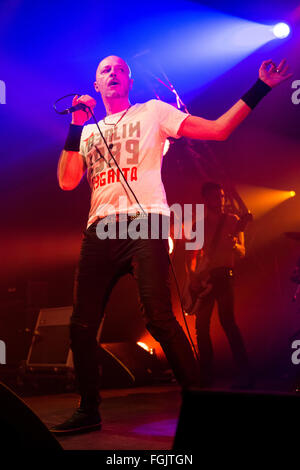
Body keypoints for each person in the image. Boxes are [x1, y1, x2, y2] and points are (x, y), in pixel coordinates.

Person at [51, 55, 291, 434]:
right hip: (100, 228)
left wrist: (261, 87)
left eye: (120, 69)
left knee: (158, 317)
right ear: (95, 85)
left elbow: (218, 130)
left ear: (129, 82)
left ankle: (201, 403)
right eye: (104, 70)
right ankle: (88, 409)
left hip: (145, 221)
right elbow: (67, 181)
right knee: (81, 325)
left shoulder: (152, 112)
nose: (113, 74)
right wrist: (76, 124)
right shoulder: (87, 130)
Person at [184, 182, 252, 388]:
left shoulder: (234, 221)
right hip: (206, 279)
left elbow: (243, 252)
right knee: (201, 326)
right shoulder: (198, 226)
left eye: (222, 197)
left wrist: (235, 246)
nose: (221, 201)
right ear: (206, 199)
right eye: (216, 197)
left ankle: (245, 372)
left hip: (225, 276)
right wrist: (193, 278)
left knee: (228, 322)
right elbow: (190, 257)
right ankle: (206, 374)